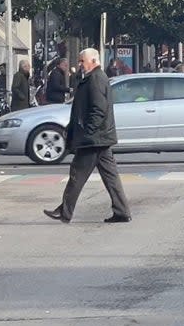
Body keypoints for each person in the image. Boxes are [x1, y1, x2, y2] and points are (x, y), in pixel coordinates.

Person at [44, 48, 131, 224]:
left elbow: (98, 109)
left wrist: (88, 132)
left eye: (82, 61)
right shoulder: (94, 78)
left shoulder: (96, 79)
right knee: (110, 176)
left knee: (77, 174)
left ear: (93, 60)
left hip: (93, 139)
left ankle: (65, 212)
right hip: (99, 137)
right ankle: (121, 211)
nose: (80, 64)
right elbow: (83, 109)